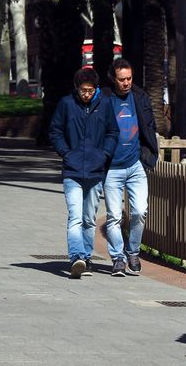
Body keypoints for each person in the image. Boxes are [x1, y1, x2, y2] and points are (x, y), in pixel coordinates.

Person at [49, 67, 119, 278]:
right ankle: (76, 256)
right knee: (75, 217)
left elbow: (113, 132)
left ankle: (86, 258)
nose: (86, 94)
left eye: (90, 90)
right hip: (72, 170)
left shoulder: (105, 105)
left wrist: (104, 154)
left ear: (96, 89)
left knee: (89, 219)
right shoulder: (66, 104)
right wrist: (66, 153)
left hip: (96, 171)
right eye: (83, 90)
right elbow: (55, 130)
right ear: (76, 88)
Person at [101, 58, 159, 276]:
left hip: (135, 165)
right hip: (112, 169)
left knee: (140, 211)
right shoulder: (105, 99)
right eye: (121, 79)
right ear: (113, 79)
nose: (126, 83)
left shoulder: (140, 97)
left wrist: (147, 158)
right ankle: (118, 258)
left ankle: (133, 251)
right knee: (114, 216)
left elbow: (149, 125)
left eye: (129, 78)